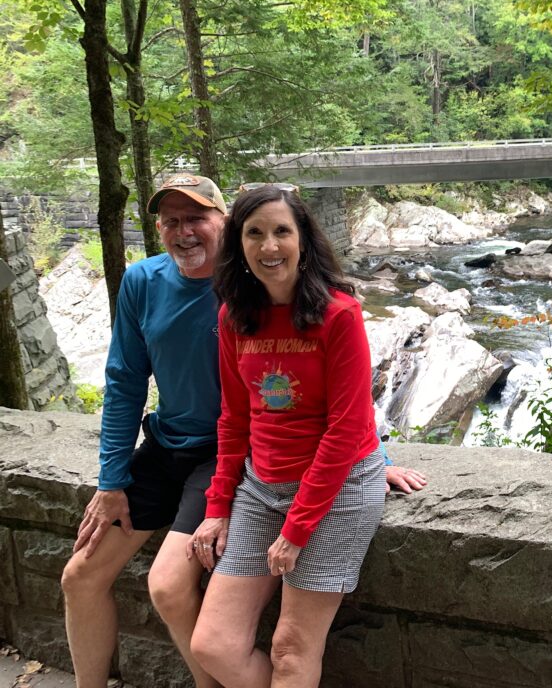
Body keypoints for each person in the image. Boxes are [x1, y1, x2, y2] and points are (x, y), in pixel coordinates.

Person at [188, 185, 386, 688]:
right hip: (261, 487)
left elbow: (346, 429)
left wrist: (297, 529)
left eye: (282, 231)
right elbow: (234, 419)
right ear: (239, 244)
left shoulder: (338, 313)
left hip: (337, 493)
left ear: (303, 241)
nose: (269, 246)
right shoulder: (235, 315)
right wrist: (217, 507)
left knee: (291, 650)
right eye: (255, 233)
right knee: (212, 644)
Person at [61, 174, 229, 688]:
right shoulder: (142, 281)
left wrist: (368, 456)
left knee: (169, 588)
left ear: (224, 220)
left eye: (197, 218)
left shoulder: (252, 284)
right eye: (171, 221)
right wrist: (111, 482)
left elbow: (315, 375)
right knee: (79, 576)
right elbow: (125, 382)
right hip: (164, 448)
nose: (184, 231)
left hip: (225, 455)